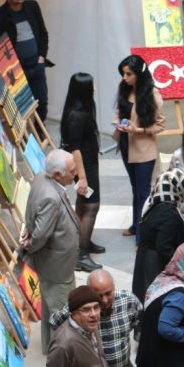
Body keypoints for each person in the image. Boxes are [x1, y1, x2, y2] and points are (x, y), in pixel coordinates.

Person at [47, 270, 141, 367]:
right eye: (98, 296)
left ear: (114, 288)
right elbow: (56, 323)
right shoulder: (78, 308)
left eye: (108, 293)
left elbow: (136, 320)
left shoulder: (128, 301)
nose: (104, 301)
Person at [24, 149, 81, 352]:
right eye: (71, 171)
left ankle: (50, 346)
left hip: (55, 263)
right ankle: (62, 353)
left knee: (51, 304)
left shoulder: (42, 178)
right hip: (56, 266)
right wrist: (29, 244)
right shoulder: (51, 198)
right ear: (57, 175)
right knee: (62, 311)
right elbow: (40, 235)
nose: (75, 174)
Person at [114, 55, 165, 239]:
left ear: (139, 74)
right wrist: (118, 123)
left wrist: (138, 129)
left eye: (128, 74)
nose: (124, 78)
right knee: (135, 189)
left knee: (144, 192)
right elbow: (120, 112)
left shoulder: (152, 94)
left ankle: (143, 235)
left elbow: (159, 126)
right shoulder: (125, 89)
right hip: (126, 145)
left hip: (144, 149)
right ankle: (136, 226)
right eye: (123, 74)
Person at [60, 72, 104, 271]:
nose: (94, 88)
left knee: (84, 203)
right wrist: (83, 177)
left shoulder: (79, 111)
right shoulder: (77, 116)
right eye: (91, 86)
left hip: (87, 165)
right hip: (83, 167)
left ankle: (82, 241)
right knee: (91, 206)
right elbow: (75, 148)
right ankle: (81, 254)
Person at [37, 286, 111, 367]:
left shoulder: (89, 325)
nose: (93, 314)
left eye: (96, 308)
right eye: (86, 310)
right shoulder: (64, 344)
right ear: (74, 314)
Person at [0, 0, 51, 122]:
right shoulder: (0, 15)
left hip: (36, 65)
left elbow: (43, 33)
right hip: (17, 70)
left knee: (42, 102)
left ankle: (39, 130)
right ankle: (22, 136)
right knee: (19, 106)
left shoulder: (32, 6)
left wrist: (41, 56)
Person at [133, 169, 184, 301]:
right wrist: (181, 267)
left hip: (144, 259)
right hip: (155, 266)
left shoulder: (153, 205)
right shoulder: (169, 213)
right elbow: (164, 246)